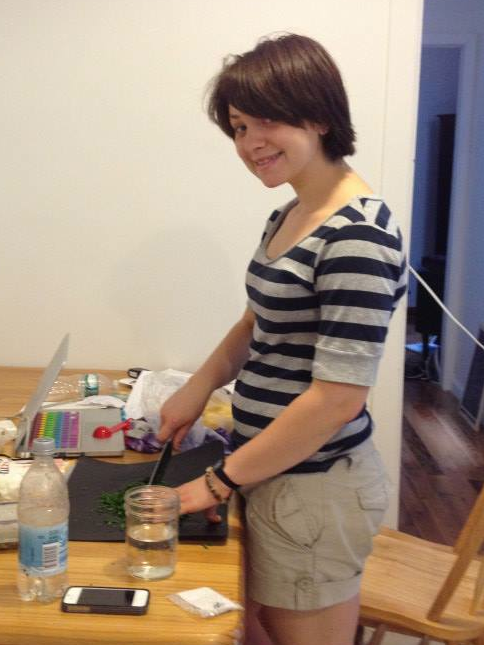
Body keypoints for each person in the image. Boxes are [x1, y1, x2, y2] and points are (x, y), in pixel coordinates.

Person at [158, 33, 407, 645]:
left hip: (314, 485)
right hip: (268, 470)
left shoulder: (358, 237)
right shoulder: (291, 214)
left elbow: (337, 399)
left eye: (267, 120)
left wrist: (216, 483)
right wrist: (197, 388)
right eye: (240, 127)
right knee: (259, 625)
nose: (250, 143)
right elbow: (255, 323)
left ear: (318, 116)